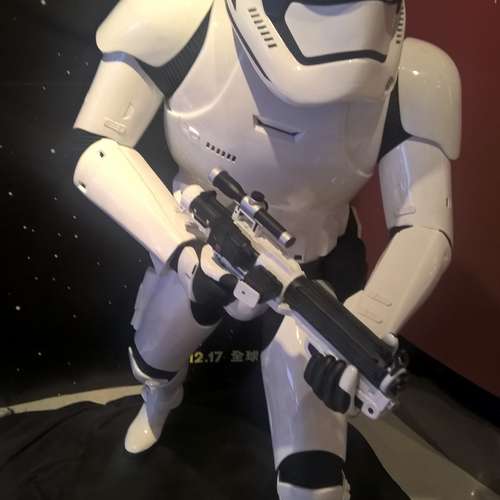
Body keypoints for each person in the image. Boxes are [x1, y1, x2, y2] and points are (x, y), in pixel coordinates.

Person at [73, 1, 461, 498]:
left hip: (307, 268)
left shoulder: (414, 75)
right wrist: (183, 253)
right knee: (151, 360)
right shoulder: (178, 19)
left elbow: (424, 224)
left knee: (312, 477)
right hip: (197, 239)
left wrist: (364, 324)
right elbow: (98, 148)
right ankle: (161, 396)